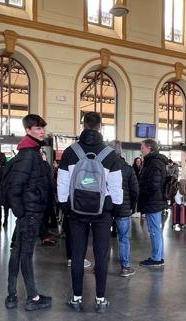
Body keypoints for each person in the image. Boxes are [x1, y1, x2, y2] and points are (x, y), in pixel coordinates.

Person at [58, 112, 123, 313]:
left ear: (83, 125)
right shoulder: (110, 154)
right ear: (100, 127)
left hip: (76, 211)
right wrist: (115, 209)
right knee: (101, 255)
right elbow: (116, 187)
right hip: (102, 212)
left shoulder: (70, 152)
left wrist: (64, 206)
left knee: (77, 255)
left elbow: (62, 184)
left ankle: (77, 299)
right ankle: (100, 300)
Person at [4, 114, 52, 311]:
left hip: (29, 212)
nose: (41, 131)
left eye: (42, 128)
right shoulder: (29, 155)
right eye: (37, 128)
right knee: (25, 254)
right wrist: (22, 213)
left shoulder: (29, 151)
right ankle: (32, 298)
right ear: (28, 130)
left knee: (17, 253)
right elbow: (15, 188)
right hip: (30, 213)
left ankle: (12, 296)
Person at [109, 140, 139, 278]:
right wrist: (131, 207)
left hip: (106, 208)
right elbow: (135, 191)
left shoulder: (104, 166)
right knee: (124, 238)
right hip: (123, 208)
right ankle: (125, 267)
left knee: (102, 238)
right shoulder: (127, 168)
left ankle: (100, 267)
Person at [138, 139, 168, 267]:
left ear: (149, 148)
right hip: (155, 201)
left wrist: (142, 192)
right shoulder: (155, 162)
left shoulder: (154, 163)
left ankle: (156, 258)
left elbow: (154, 184)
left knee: (154, 230)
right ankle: (159, 257)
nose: (141, 149)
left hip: (153, 201)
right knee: (157, 230)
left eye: (142, 147)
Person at [0, 152, 10, 227]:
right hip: (7, 188)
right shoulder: (8, 167)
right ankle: (5, 220)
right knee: (6, 206)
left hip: (0, 188)